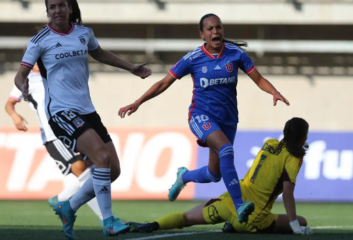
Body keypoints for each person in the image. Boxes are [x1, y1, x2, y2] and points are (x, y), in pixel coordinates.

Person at [118, 13, 289, 224]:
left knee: (214, 173)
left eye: (218, 27)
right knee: (226, 149)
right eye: (210, 29)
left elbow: (259, 79)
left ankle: (184, 176)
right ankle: (239, 204)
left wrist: (274, 91)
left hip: (228, 120)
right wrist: (138, 102)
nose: (215, 31)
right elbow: (163, 83)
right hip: (201, 116)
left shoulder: (236, 55)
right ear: (202, 34)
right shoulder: (193, 59)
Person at [14, 0, 151, 239]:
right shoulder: (39, 41)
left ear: (70, 8)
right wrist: (22, 86)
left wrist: (131, 67)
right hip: (60, 112)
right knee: (102, 157)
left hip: (87, 110)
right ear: (47, 11)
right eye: (52, 6)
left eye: (61, 5)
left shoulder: (84, 33)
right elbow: (21, 74)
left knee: (113, 170)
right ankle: (108, 222)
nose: (57, 10)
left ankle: (69, 206)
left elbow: (99, 53)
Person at [126, 117, 313, 235]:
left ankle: (153, 225)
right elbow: (287, 193)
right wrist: (295, 225)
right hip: (250, 218)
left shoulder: (270, 143)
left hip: (231, 201)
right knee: (302, 220)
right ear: (304, 137)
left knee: (187, 218)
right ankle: (234, 226)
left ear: (284, 132)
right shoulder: (294, 158)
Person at [5, 64, 104, 221]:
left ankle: (60, 199)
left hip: (72, 128)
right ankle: (106, 219)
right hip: (53, 134)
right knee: (81, 170)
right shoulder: (26, 79)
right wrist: (15, 116)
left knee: (97, 165)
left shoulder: (56, 73)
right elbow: (9, 103)